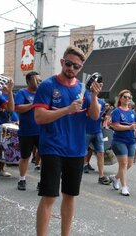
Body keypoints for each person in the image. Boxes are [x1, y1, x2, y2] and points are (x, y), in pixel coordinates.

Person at [34, 46, 102, 236]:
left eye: (77, 66)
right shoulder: (47, 86)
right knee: (49, 196)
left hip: (76, 150)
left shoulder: (83, 89)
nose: (72, 68)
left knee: (70, 196)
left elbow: (94, 116)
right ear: (62, 62)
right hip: (52, 148)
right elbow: (39, 117)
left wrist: (94, 96)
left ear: (81, 68)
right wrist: (66, 110)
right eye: (69, 63)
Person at [109, 90, 136, 196]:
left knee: (129, 164)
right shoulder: (116, 111)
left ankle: (115, 178)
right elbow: (115, 126)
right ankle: (124, 187)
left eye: (129, 97)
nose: (127, 99)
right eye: (125, 97)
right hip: (119, 141)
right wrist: (129, 127)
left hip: (131, 141)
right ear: (120, 98)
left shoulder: (132, 112)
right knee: (124, 163)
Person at [15, 71, 41, 191]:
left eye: (40, 80)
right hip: (26, 132)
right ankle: (22, 179)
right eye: (36, 80)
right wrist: (33, 104)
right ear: (29, 81)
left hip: (41, 131)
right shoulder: (22, 93)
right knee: (25, 157)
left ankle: (43, 181)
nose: (39, 82)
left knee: (45, 156)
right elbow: (18, 108)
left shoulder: (41, 93)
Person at [83, 98, 111, 185]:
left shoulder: (101, 102)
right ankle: (82, 168)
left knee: (101, 153)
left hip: (98, 131)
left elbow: (101, 116)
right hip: (86, 131)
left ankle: (101, 176)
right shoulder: (86, 99)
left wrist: (104, 118)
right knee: (81, 152)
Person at [0, 86, 19, 177]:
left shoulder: (12, 95)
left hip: (8, 125)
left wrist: (17, 120)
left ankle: (1, 169)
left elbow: (14, 109)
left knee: (4, 147)